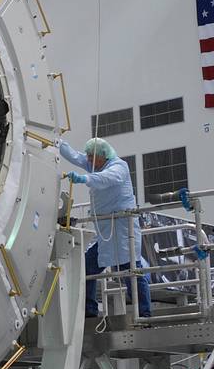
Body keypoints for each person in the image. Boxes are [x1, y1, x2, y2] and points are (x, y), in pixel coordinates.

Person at [59, 136, 151, 319]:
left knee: (132, 272)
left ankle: (145, 314)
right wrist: (57, 142)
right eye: (89, 157)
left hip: (123, 231)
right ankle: (90, 311)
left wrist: (83, 178)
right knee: (86, 267)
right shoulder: (96, 165)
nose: (89, 160)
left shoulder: (118, 167)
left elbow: (106, 179)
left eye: (92, 156)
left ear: (103, 156)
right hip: (105, 232)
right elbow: (76, 157)